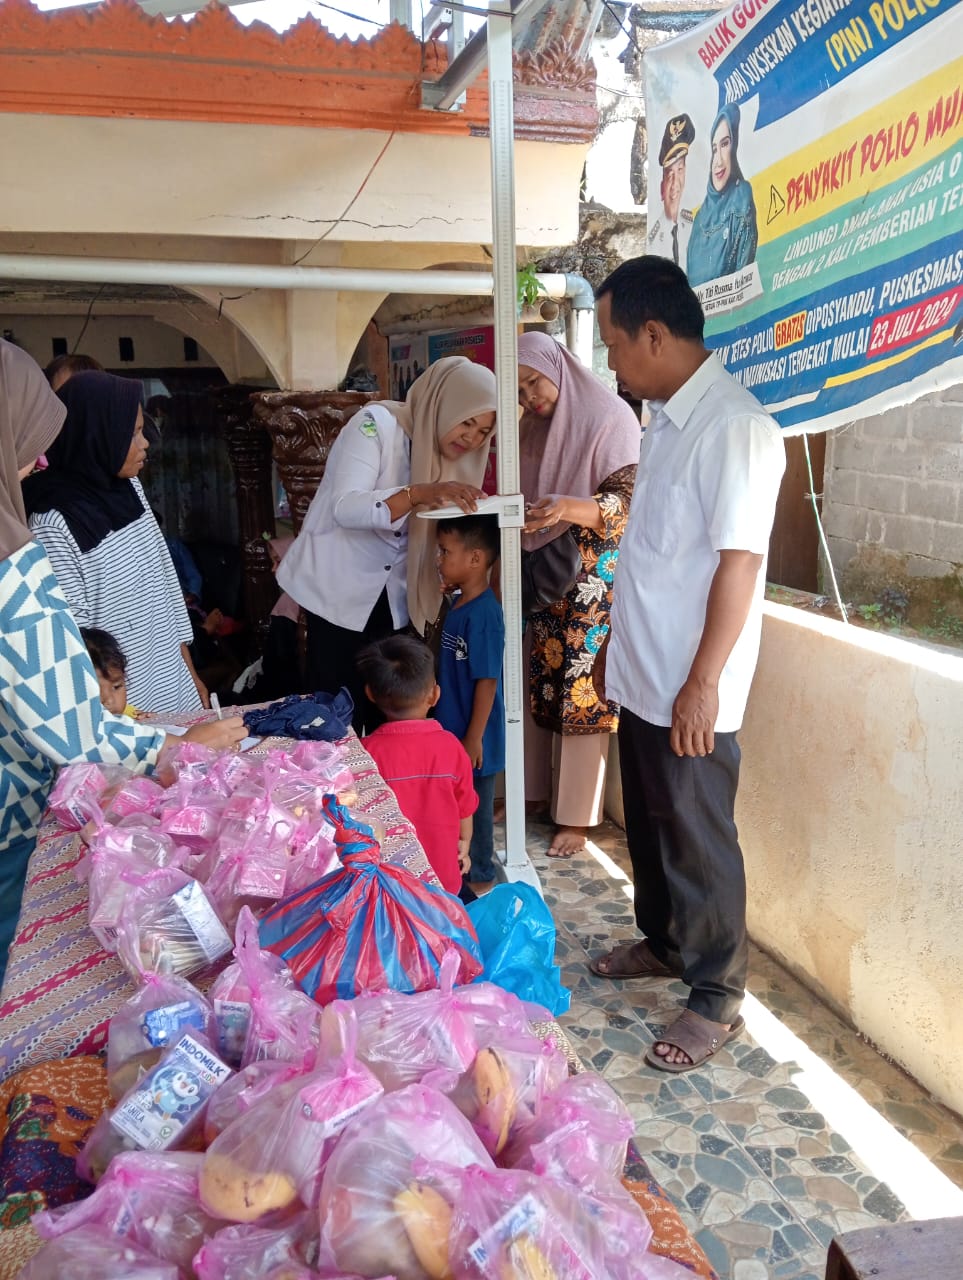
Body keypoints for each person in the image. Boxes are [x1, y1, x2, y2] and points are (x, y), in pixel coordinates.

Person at [589, 256, 785, 1073]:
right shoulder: (665, 422)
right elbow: (653, 557)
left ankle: (715, 995)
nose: (610, 361)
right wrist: (615, 643)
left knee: (698, 839)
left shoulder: (734, 427)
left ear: (652, 334)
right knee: (650, 822)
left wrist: (702, 682)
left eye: (612, 343)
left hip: (689, 684)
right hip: (645, 671)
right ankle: (665, 942)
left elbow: (738, 563)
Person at [0, 340, 244, 984]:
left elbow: (162, 590)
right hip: (33, 804)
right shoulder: (26, 545)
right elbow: (71, 714)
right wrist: (167, 747)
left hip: (148, 708)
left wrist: (189, 685)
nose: (40, 458)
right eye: (28, 436)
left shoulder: (124, 495)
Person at [278, 356, 497, 732]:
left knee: (392, 718)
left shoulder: (450, 459)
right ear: (443, 405)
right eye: (466, 422)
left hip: (395, 598)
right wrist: (418, 493)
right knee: (338, 716)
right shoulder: (375, 425)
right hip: (337, 595)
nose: (471, 438)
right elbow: (346, 507)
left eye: (483, 432)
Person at [517, 331, 641, 858]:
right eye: (519, 391)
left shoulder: (611, 418)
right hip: (543, 574)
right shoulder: (532, 429)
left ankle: (576, 817)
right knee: (537, 684)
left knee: (582, 692)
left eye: (533, 382)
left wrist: (568, 507)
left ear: (558, 368)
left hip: (591, 582)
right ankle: (531, 794)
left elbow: (628, 504)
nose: (530, 397)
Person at [23, 371, 208, 714]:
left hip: (172, 684)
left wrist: (189, 673)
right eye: (133, 433)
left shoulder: (129, 488)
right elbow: (76, 641)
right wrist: (116, 716)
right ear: (97, 436)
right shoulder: (54, 523)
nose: (145, 443)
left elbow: (166, 587)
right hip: (124, 708)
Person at [357, 634, 477, 900]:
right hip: (442, 880)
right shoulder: (451, 747)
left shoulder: (365, 753)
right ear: (434, 695)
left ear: (370, 694)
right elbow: (465, 806)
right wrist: (464, 843)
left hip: (390, 885)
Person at [434, 515, 505, 893]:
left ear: (475, 559)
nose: (439, 559)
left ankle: (481, 882)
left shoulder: (485, 615)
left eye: (445, 552)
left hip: (475, 739)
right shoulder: (460, 603)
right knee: (458, 806)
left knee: (474, 808)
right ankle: (459, 875)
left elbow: (487, 680)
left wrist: (474, 737)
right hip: (454, 731)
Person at [686, 103, 758, 286]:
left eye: (725, 144)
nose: (718, 161)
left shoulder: (741, 197)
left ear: (734, 146)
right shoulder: (700, 218)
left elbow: (743, 279)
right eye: (714, 149)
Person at [648, 112, 695, 267]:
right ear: (662, 186)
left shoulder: (692, 226)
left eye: (680, 170)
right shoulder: (653, 240)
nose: (675, 184)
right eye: (669, 175)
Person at [80, 626, 139, 718]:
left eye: (116, 687)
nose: (109, 701)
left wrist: (145, 720)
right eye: (95, 691)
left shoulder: (129, 715)